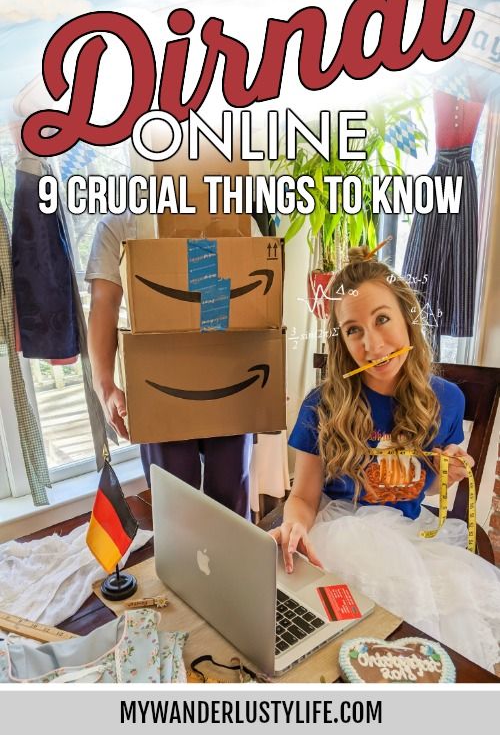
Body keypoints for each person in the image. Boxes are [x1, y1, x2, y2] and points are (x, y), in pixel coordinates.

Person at [271, 245, 500, 672]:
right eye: (353, 330)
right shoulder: (321, 404)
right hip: (338, 532)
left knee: (439, 634)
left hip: (413, 537)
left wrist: (446, 475)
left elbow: (425, 487)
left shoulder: (445, 400)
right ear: (340, 341)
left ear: (407, 318)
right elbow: (302, 496)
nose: (372, 344)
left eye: (382, 319)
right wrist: (294, 525)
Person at [85, 210, 265, 520]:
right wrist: (105, 387)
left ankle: (234, 567)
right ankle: (181, 567)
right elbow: (105, 302)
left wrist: (268, 379)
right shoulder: (122, 221)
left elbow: (260, 293)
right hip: (158, 381)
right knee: (174, 504)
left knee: (231, 502)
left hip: (229, 377)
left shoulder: (233, 215)